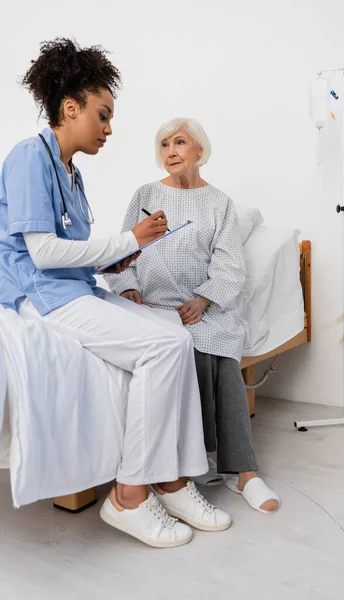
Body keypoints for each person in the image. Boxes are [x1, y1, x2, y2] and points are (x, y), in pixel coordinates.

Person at [0, 40, 232, 548]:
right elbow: (41, 253)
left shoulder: (71, 172)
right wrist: (132, 239)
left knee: (174, 336)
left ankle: (170, 480)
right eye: (102, 115)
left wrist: (114, 260)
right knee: (158, 347)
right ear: (70, 108)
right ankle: (128, 496)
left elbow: (74, 249)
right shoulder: (27, 158)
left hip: (75, 286)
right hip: (45, 296)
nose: (109, 128)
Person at [106, 118, 280, 514]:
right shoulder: (145, 194)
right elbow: (123, 250)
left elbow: (230, 265)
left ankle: (243, 473)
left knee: (216, 347)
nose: (170, 151)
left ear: (199, 150)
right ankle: (196, 459)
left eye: (180, 142)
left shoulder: (219, 203)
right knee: (183, 345)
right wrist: (126, 287)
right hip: (150, 303)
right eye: (164, 144)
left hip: (200, 306)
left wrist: (203, 300)